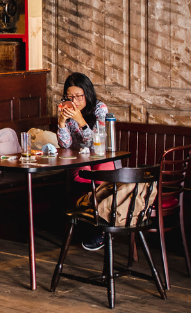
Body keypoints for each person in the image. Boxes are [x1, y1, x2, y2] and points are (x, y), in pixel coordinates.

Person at [56, 72, 113, 251]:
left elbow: (98, 144)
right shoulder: (66, 109)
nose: (74, 101)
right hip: (79, 160)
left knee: (104, 176)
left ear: (87, 93)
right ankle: (97, 227)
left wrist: (81, 121)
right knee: (85, 178)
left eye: (78, 96)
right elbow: (65, 145)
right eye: (70, 96)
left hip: (101, 156)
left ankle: (102, 231)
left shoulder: (99, 108)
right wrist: (62, 123)